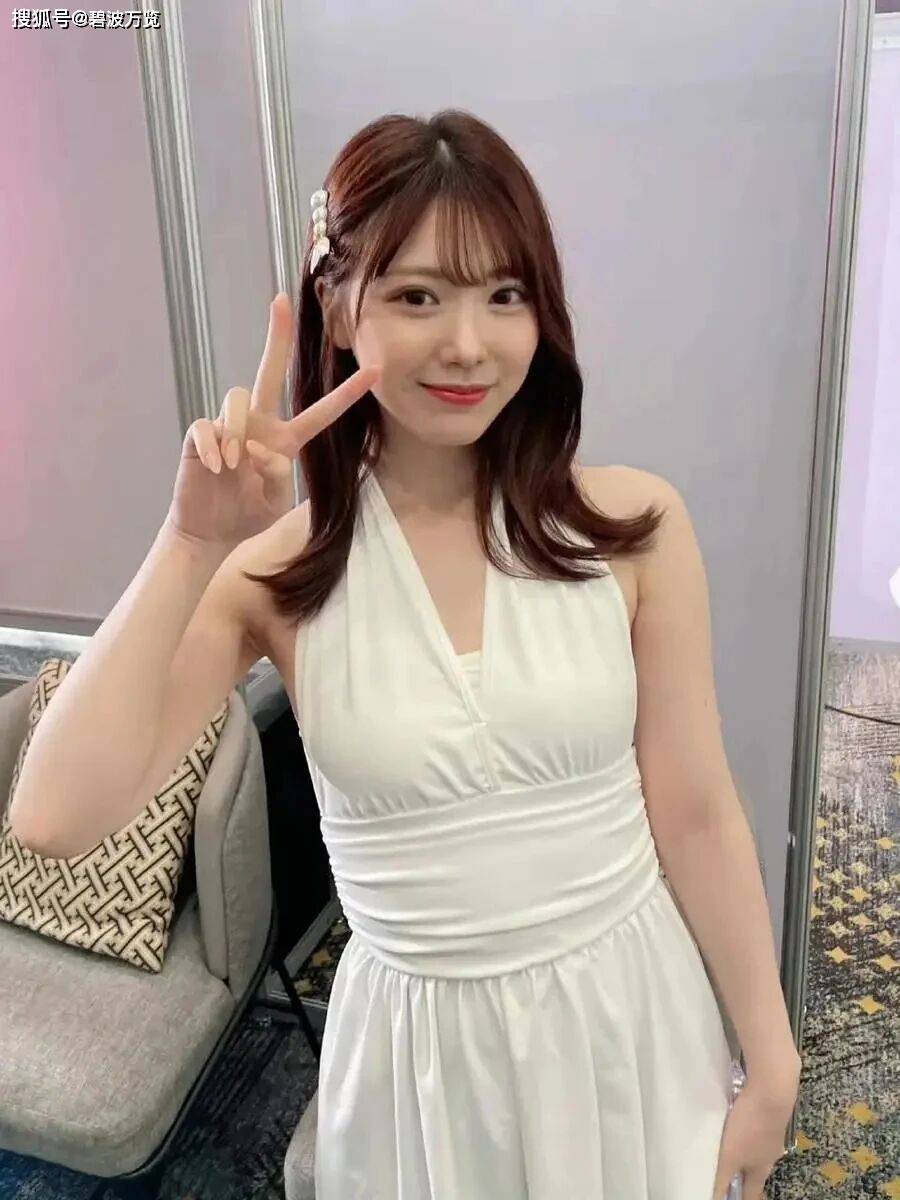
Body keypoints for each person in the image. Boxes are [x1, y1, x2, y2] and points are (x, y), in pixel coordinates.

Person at [12, 109, 796, 1198]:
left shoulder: (632, 527)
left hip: (630, 1017)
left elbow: (698, 811)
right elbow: (53, 818)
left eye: (505, 295)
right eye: (419, 296)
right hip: (420, 1064)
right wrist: (193, 542)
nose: (468, 344)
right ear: (339, 306)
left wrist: (772, 1058)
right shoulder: (274, 578)